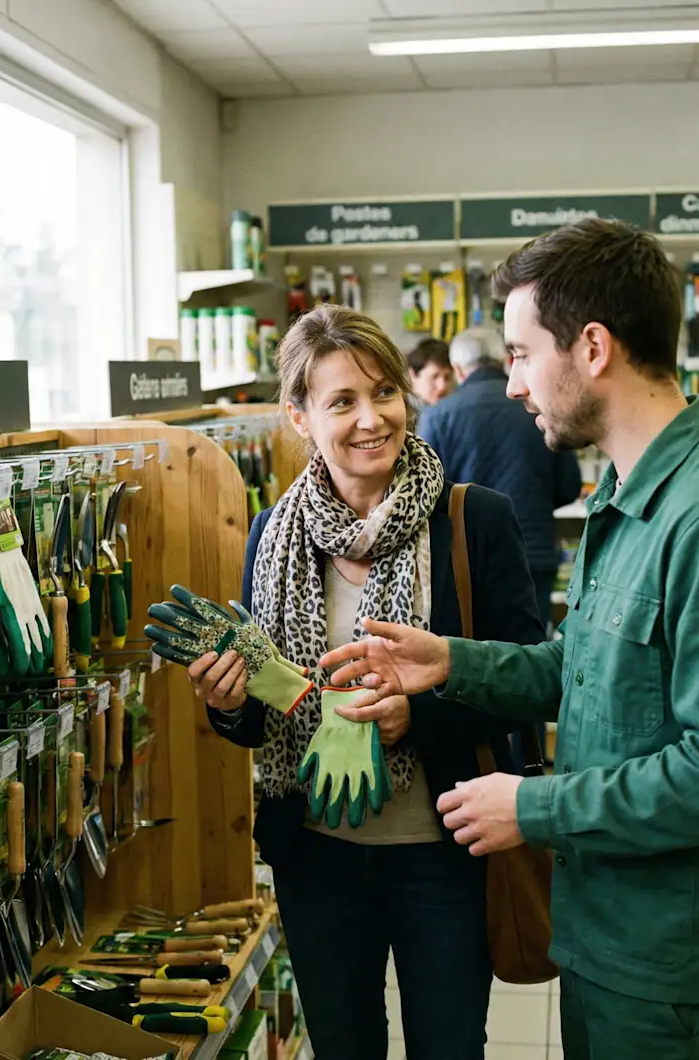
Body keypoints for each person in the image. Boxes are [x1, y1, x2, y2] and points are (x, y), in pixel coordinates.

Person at [321, 220, 699, 1060]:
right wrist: (451, 660)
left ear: (592, 346)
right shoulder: (624, 496)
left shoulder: (692, 517)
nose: (514, 384)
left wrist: (534, 806)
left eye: (524, 354)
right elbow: (580, 671)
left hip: (669, 967)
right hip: (604, 943)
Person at [187, 304, 545, 1060]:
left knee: (449, 1047)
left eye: (384, 392)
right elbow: (266, 714)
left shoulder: (473, 521)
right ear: (299, 417)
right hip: (318, 860)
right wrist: (228, 703)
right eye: (342, 401)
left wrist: (413, 717)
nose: (371, 418)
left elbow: (526, 686)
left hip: (442, 853)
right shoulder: (272, 536)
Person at [419, 325, 581, 634]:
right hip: (533, 553)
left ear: (457, 369)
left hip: (461, 559)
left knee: (466, 661)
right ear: (505, 360)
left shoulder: (439, 417)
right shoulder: (539, 410)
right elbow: (568, 486)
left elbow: (424, 493)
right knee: (527, 656)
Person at [406, 337, 454, 412]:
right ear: (412, 376)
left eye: (447, 377)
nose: (442, 386)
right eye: (434, 377)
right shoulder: (400, 416)